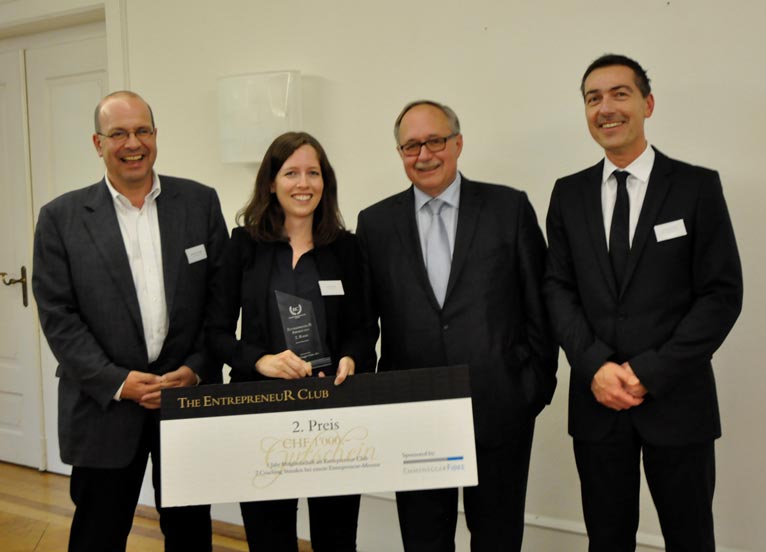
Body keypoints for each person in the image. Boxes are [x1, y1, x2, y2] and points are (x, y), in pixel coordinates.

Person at [543, 54, 743, 551]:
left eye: (619, 94)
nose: (605, 108)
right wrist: (595, 367)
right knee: (607, 540)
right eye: (593, 99)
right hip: (597, 402)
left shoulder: (696, 187)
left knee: (690, 536)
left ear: (647, 104)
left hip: (678, 399)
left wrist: (649, 372)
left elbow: (721, 295)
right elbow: (557, 290)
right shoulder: (568, 195)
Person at [356, 100, 557, 551]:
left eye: (435, 141)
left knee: (498, 537)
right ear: (400, 153)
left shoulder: (509, 208)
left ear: (458, 143)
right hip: (414, 415)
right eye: (411, 146)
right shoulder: (375, 223)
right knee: (424, 540)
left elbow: (539, 307)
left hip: (500, 406)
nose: (424, 154)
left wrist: (533, 386)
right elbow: (365, 323)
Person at [32, 91, 228, 551]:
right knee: (98, 535)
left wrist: (197, 367)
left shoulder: (199, 203)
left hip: (186, 403)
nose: (132, 143)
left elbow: (220, 302)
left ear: (156, 136)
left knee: (190, 534)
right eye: (118, 133)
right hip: (104, 407)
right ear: (97, 143)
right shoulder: (61, 218)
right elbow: (58, 316)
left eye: (141, 131)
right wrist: (118, 381)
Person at [206, 131, 373, 551]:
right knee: (269, 539)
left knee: (336, 539)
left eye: (313, 173)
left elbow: (362, 328)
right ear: (270, 182)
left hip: (333, 414)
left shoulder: (346, 248)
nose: (303, 184)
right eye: (291, 173)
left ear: (325, 181)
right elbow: (215, 332)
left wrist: (353, 357)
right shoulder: (243, 245)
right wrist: (259, 360)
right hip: (260, 410)